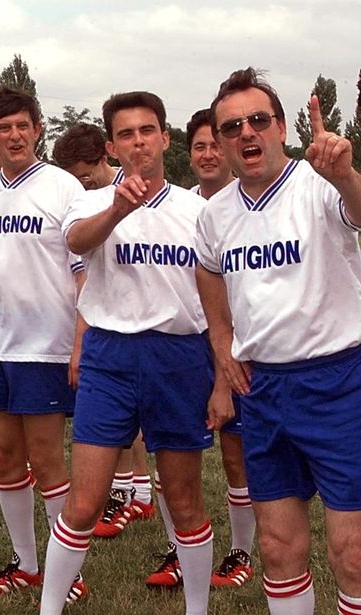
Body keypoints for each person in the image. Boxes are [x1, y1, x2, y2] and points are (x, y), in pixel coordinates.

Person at [40, 91, 229, 615]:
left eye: (147, 131)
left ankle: (197, 607)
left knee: (185, 497)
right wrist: (120, 207)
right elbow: (77, 242)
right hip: (110, 357)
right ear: (111, 146)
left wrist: (218, 375)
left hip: (179, 358)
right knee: (84, 502)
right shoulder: (92, 200)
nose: (138, 142)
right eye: (126, 134)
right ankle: (49, 607)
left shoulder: (198, 211)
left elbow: (217, 299)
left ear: (165, 138)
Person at [196, 67, 361, 615]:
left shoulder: (320, 186)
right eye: (232, 126)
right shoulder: (215, 213)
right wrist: (222, 339)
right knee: (277, 546)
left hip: (339, 382)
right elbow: (210, 271)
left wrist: (346, 177)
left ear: (282, 126)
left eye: (258, 120)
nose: (247, 132)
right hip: (263, 389)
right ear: (219, 142)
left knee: (352, 552)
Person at [0, 87, 87, 602]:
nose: (14, 135)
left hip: (43, 349)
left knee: (47, 460)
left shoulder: (62, 186)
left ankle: (65, 574)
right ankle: (26, 565)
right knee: (4, 456)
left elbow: (82, 273)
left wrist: (78, 343)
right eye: (3, 128)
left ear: (37, 129)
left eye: (23, 125)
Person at [53, 123, 156, 538]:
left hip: (146, 327)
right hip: (110, 327)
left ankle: (140, 494)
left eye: (85, 173)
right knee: (122, 421)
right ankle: (132, 493)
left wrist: (79, 344)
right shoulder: (90, 202)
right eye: (73, 176)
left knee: (144, 426)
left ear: (104, 158)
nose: (81, 182)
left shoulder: (147, 193)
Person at [186, 108, 256, 588]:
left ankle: (241, 551)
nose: (209, 153)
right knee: (178, 457)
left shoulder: (247, 206)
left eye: (216, 143)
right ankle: (184, 544)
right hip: (183, 348)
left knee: (236, 454)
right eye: (199, 146)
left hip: (234, 348)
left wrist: (222, 377)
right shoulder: (178, 205)